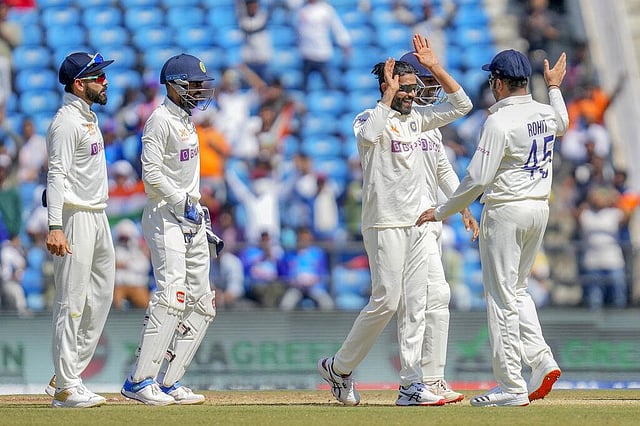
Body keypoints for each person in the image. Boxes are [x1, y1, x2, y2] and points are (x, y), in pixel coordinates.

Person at [317, 34, 473, 407]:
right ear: (387, 87)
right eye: (404, 87)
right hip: (384, 223)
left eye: (413, 88)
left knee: (417, 303)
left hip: (419, 223)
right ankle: (339, 367)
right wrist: (387, 97)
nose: (411, 94)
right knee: (387, 301)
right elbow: (369, 137)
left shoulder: (421, 120)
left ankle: (411, 385)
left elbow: (463, 104)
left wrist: (435, 67)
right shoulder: (368, 117)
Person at [415, 49, 569, 407]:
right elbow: (562, 122)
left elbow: (478, 178)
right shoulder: (545, 112)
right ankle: (541, 359)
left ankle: (511, 386)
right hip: (538, 209)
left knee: (500, 298)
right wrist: (555, 87)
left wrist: (442, 210)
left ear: (497, 83)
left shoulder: (499, 123)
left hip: (506, 211)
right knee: (517, 290)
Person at [121, 53, 219, 406]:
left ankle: (169, 381)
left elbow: (187, 177)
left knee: (203, 302)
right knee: (172, 295)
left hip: (192, 218)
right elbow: (150, 174)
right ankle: (139, 380)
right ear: (175, 86)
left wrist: (200, 214)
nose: (200, 91)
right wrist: (181, 202)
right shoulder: (159, 121)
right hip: (165, 215)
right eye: (194, 85)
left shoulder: (187, 121)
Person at [398, 50, 477, 404]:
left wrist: (462, 207)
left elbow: (444, 170)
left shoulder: (430, 123)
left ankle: (432, 379)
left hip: (432, 220)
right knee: (420, 299)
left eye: (433, 82)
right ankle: (420, 380)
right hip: (408, 223)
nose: (430, 89)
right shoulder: (398, 121)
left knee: (437, 297)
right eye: (426, 82)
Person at [44, 52, 116, 408]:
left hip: (98, 214)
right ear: (78, 84)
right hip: (75, 217)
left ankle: (66, 373)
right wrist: (55, 225)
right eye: (97, 77)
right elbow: (56, 174)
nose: (105, 82)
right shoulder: (66, 123)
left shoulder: (88, 117)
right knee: (70, 301)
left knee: (101, 296)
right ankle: (66, 388)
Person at [294, 0, 351, 92]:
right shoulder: (301, 8)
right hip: (306, 54)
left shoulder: (326, 9)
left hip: (322, 53)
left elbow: (337, 28)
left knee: (328, 85)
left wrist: (344, 43)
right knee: (304, 87)